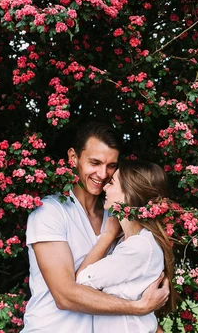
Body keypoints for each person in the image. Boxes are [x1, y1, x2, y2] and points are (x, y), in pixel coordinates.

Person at [22, 122, 169, 332]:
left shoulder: (117, 213)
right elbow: (65, 296)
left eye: (111, 166)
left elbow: (129, 290)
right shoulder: (50, 212)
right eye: (95, 162)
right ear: (73, 158)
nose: (102, 174)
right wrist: (139, 308)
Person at [75, 160, 177, 333]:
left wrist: (106, 236)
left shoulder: (139, 246)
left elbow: (81, 281)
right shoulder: (129, 240)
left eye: (112, 182)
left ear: (129, 193)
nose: (105, 187)